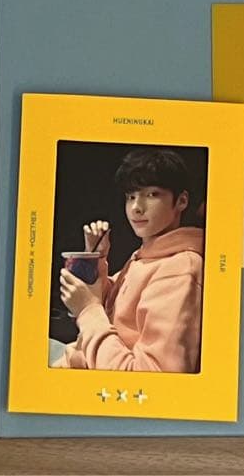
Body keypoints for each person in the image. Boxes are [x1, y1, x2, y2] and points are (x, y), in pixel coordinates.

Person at [53, 148, 204, 373]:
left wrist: (87, 310)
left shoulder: (179, 269)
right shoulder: (148, 256)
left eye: (152, 194)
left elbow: (151, 376)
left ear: (181, 201)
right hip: (79, 360)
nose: (136, 207)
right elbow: (113, 307)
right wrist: (97, 257)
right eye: (130, 197)